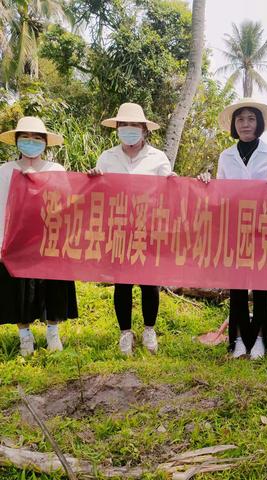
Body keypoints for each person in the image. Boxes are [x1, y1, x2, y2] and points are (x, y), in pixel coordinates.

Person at [198, 98, 267, 359]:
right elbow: (219, 192)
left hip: (263, 229)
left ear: (258, 124)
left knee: (261, 286)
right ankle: (237, 338)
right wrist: (206, 183)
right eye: (240, 119)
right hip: (235, 228)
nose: (245, 124)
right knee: (237, 286)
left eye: (251, 119)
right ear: (234, 126)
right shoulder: (226, 156)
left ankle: (259, 338)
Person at [88, 102, 173, 356]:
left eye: (134, 126)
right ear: (117, 129)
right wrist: (92, 180)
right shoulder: (107, 157)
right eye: (124, 126)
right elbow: (97, 193)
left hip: (149, 228)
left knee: (150, 282)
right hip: (118, 229)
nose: (129, 130)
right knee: (122, 283)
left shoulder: (158, 158)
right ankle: (125, 332)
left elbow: (171, 190)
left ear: (144, 130)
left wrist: (174, 182)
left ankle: (149, 329)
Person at [0, 116, 78, 356]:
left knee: (52, 288)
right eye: (25, 138)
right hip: (14, 242)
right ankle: (25, 336)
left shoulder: (55, 170)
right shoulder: (5, 170)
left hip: (48, 242)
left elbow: (67, 204)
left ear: (45, 143)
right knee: (18, 291)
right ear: (17, 141)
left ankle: (52, 333)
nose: (31, 142)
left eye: (37, 139)